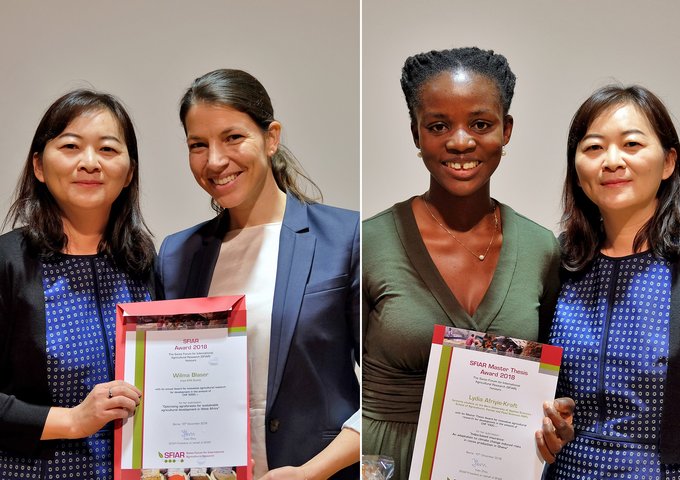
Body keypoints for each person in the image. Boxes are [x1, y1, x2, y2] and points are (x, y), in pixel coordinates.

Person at [362, 47, 575, 480]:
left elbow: (553, 378)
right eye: (439, 126)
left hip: (497, 466)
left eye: (480, 124)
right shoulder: (370, 242)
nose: (460, 141)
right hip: (388, 464)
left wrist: (557, 417)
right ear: (416, 133)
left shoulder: (541, 248)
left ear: (506, 130)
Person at [155, 69, 360, 479]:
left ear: (271, 138)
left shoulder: (346, 237)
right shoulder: (177, 254)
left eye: (233, 137)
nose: (215, 161)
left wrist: (311, 472)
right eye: (199, 145)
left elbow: (384, 391)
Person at [545, 84, 680, 479]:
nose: (611, 161)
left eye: (632, 144)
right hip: (569, 472)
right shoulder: (560, 260)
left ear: (669, 162)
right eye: (593, 148)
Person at [0, 90, 155, 479]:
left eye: (107, 149)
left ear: (129, 171)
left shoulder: (144, 263)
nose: (90, 163)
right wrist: (72, 420)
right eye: (70, 146)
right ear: (38, 165)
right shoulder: (8, 260)